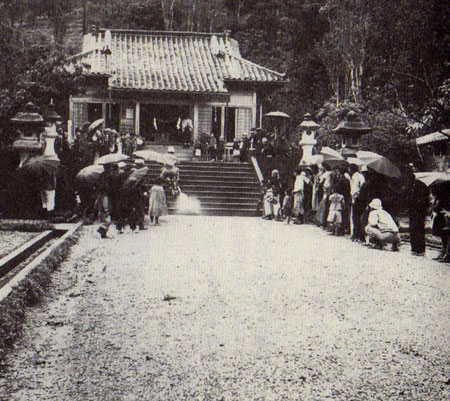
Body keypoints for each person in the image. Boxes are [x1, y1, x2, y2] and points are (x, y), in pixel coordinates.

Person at [406, 166, 429, 256]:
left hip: (419, 209)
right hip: (413, 209)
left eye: (415, 167)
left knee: (419, 228)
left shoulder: (423, 183)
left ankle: (420, 248)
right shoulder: (412, 181)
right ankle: (415, 248)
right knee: (413, 228)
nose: (413, 169)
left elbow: (424, 197)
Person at [349, 164, 365, 241]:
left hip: (356, 198)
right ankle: (358, 234)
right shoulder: (360, 176)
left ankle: (356, 234)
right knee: (357, 217)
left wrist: (354, 199)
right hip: (359, 197)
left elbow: (355, 189)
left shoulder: (355, 177)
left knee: (355, 217)